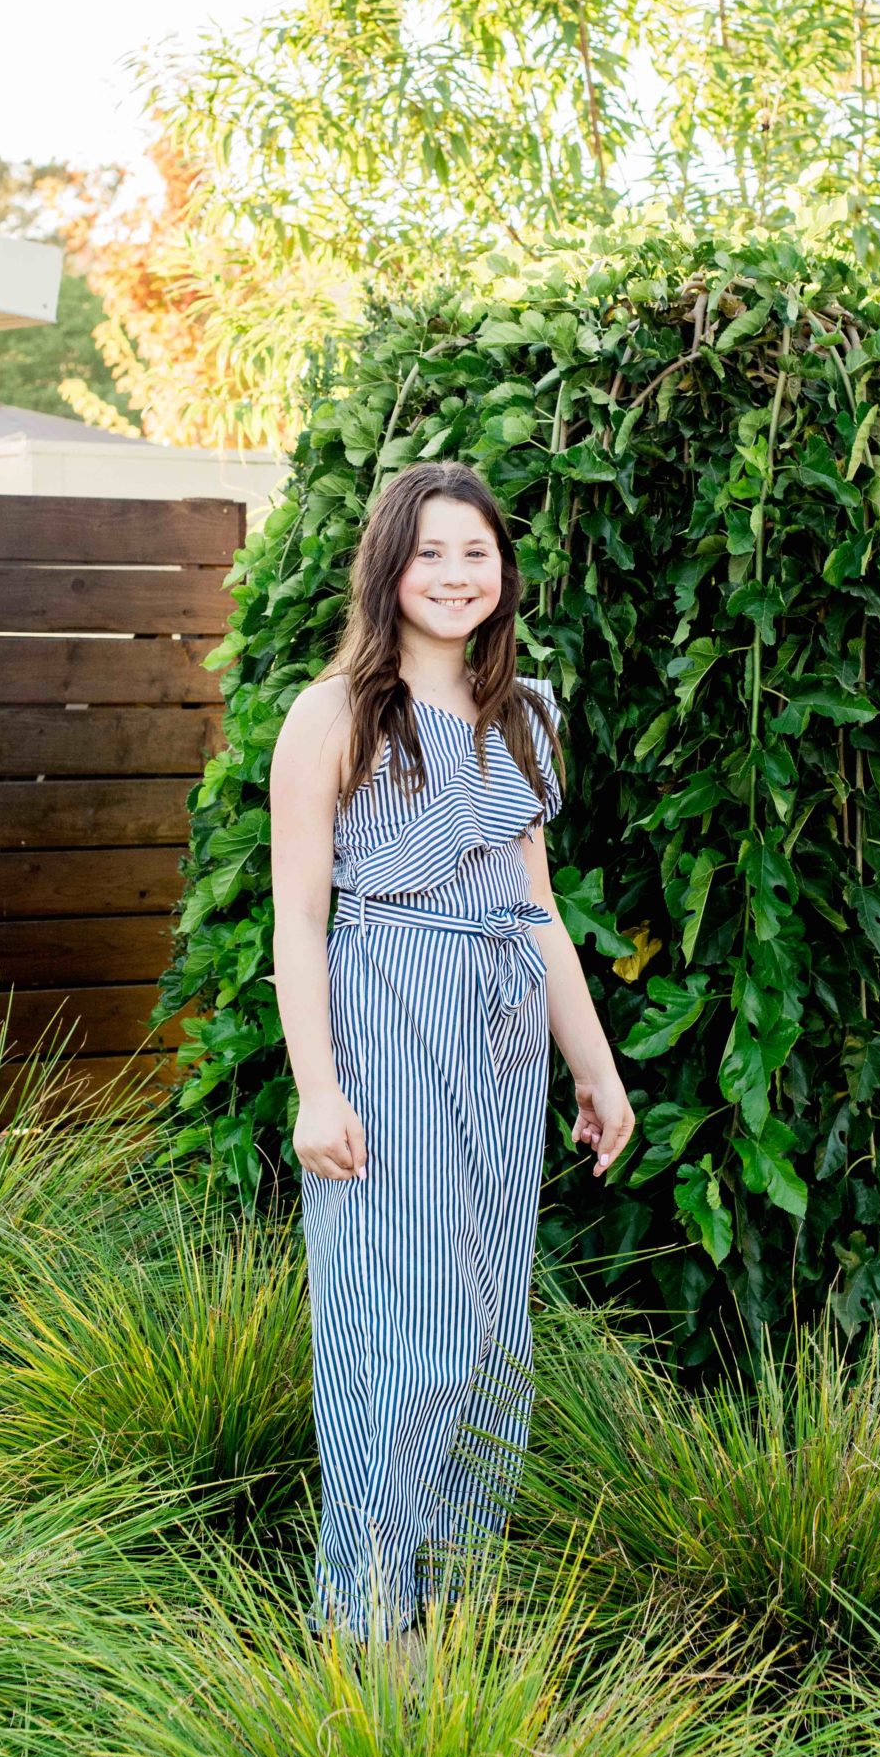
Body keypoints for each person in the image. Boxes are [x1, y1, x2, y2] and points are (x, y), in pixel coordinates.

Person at [268, 458, 637, 1650]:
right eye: (428, 551)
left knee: (485, 1334)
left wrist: (594, 1067)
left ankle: (456, 1608)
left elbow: (534, 910)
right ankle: (367, 1627)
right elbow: (296, 920)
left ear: (500, 572)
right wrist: (316, 1088)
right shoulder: (331, 716)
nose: (452, 573)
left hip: (496, 1037)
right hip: (384, 1021)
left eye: (473, 552)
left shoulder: (526, 714)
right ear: (387, 567)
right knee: (396, 1328)